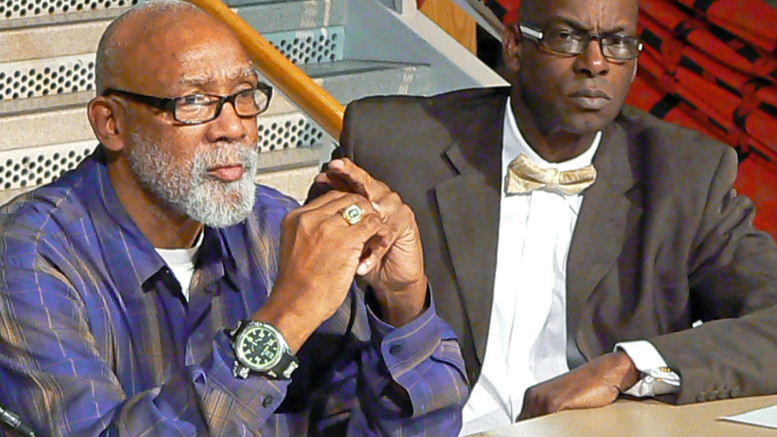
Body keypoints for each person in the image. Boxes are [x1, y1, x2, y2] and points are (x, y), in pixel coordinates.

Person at [0, 1, 468, 435]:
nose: (233, 126)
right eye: (194, 101)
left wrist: (403, 302)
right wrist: (285, 318)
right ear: (111, 124)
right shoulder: (28, 256)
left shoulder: (274, 224)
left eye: (244, 96)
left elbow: (400, 427)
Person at [323, 0, 777, 434]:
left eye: (618, 43)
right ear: (515, 46)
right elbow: (315, 326)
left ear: (636, 62)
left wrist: (627, 366)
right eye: (567, 37)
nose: (595, 63)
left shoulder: (683, 175)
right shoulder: (392, 147)